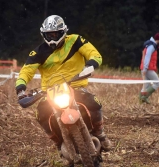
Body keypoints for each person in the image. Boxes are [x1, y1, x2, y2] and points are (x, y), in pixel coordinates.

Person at [15, 15, 112, 152]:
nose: (53, 37)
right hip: (50, 92)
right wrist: (21, 90)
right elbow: (25, 72)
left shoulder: (75, 40)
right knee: (41, 114)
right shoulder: (37, 52)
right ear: (44, 35)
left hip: (75, 86)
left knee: (93, 102)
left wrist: (90, 66)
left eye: (55, 34)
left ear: (63, 32)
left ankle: (100, 133)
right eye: (49, 35)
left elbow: (95, 55)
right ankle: (58, 144)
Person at [139, 33, 159, 104]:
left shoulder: (148, 44)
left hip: (144, 68)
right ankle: (144, 97)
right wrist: (145, 68)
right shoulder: (152, 46)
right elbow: (147, 57)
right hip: (148, 68)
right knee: (157, 83)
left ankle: (141, 102)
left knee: (146, 85)